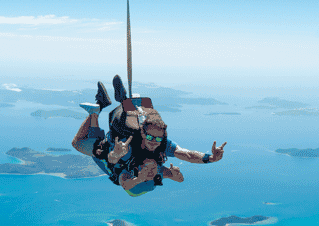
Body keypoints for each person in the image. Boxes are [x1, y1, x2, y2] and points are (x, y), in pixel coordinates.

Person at [72, 76, 226, 196]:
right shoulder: (160, 160)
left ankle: (102, 108)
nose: (150, 174)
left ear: (137, 173)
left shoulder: (128, 168)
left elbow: (120, 174)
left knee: (80, 143)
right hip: (131, 135)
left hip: (110, 151)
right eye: (153, 178)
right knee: (147, 122)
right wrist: (210, 158)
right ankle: (130, 107)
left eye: (146, 176)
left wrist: (116, 154)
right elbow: (186, 156)